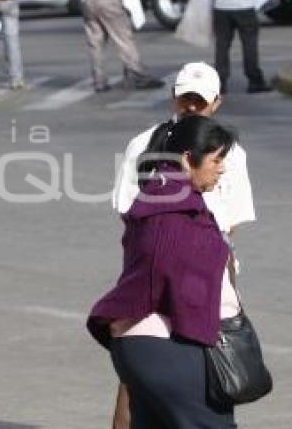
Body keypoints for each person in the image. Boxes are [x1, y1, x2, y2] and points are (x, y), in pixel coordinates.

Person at [109, 61, 256, 428]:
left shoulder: (227, 151)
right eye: (184, 99)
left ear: (216, 102)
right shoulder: (145, 150)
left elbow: (233, 218)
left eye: (200, 101)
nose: (191, 107)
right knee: (152, 387)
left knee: (161, 397)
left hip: (202, 277)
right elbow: (129, 211)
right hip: (165, 290)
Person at [90, 115, 240, 428]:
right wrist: (200, 330)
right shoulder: (171, 210)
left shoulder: (169, 197)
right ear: (188, 158)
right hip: (166, 347)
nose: (222, 168)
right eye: (216, 160)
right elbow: (162, 270)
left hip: (151, 347)